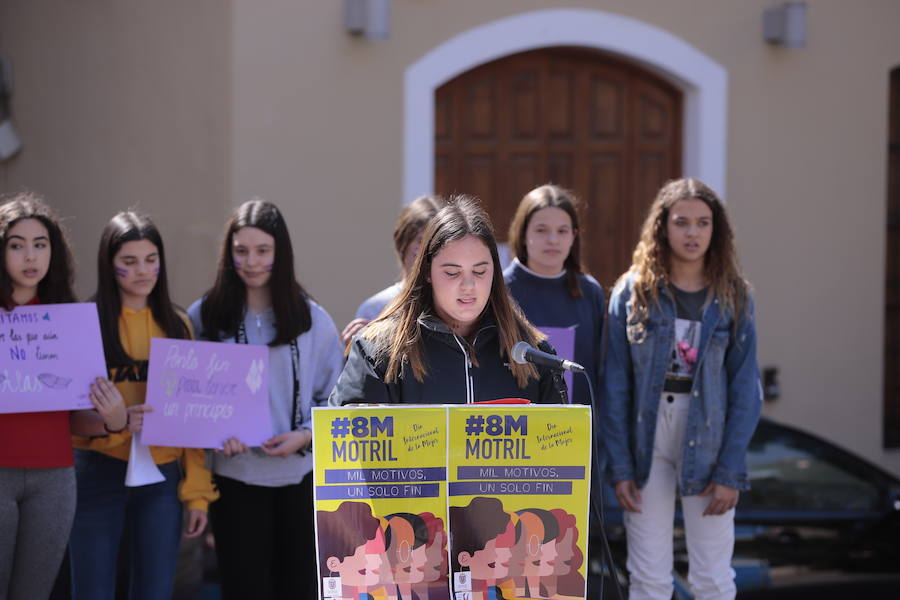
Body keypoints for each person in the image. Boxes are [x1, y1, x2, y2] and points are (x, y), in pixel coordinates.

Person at [601, 178, 761, 600]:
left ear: (716, 230)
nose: (692, 233)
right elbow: (615, 384)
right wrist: (619, 466)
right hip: (645, 438)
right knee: (648, 577)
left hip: (708, 436)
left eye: (703, 223)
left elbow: (746, 387)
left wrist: (730, 470)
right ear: (663, 228)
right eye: (682, 222)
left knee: (712, 577)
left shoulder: (734, 297)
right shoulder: (633, 293)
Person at [188, 198, 344, 599]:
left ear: (280, 253)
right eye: (241, 251)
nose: (252, 262)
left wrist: (306, 435)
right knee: (244, 588)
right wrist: (216, 432)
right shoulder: (204, 316)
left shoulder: (313, 320)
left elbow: (338, 396)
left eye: (262, 251)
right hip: (235, 480)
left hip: (299, 480)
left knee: (298, 589)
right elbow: (187, 400)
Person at [68, 212, 218, 600]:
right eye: (129, 262)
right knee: (92, 591)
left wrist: (198, 493)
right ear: (109, 264)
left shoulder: (178, 323)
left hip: (162, 479)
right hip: (97, 472)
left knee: (154, 591)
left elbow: (193, 416)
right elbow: (69, 418)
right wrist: (113, 422)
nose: (142, 271)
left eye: (151, 259)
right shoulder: (87, 323)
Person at [0, 193, 128, 600]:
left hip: (55, 480)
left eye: (41, 244)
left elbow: (76, 417)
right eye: (17, 245)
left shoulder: (68, 320)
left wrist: (113, 418)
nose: (30, 256)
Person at [330, 196, 567, 405]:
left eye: (480, 271)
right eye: (452, 272)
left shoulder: (533, 353)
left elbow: (560, 448)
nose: (468, 286)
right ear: (426, 272)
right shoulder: (377, 350)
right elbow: (346, 445)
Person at [504, 184, 604, 407]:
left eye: (562, 231)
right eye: (541, 230)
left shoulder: (590, 292)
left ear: (574, 236)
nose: (553, 240)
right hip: (518, 430)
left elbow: (602, 372)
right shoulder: (499, 290)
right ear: (522, 233)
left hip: (577, 430)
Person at [342, 195, 443, 346]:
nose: (428, 251)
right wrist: (356, 350)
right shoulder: (374, 310)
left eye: (437, 241)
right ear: (402, 243)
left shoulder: (453, 305)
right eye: (421, 241)